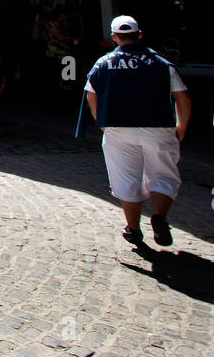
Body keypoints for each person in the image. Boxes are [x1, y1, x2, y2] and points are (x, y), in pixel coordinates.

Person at [79, 15, 190, 248]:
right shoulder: (161, 63)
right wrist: (181, 125)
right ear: (139, 34)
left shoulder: (103, 63)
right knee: (163, 175)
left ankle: (133, 229)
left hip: (118, 129)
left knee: (125, 177)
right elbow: (182, 97)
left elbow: (91, 94)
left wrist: (101, 120)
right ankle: (159, 216)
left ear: (114, 37)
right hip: (158, 126)